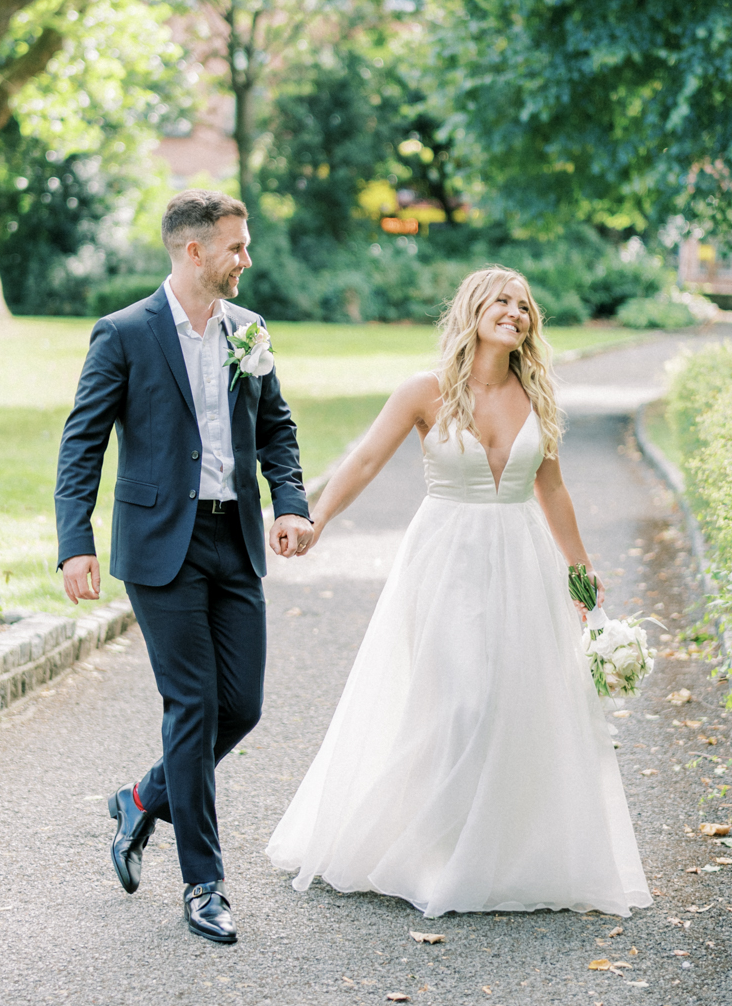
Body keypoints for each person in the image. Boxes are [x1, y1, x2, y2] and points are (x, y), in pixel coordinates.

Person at [267, 265, 652, 919]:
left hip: (524, 559)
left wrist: (581, 574)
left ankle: (497, 853)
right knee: (461, 700)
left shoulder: (537, 393)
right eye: (501, 301)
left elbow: (551, 489)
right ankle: (428, 850)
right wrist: (317, 519)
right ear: (473, 311)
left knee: (509, 702)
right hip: (446, 561)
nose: (515, 312)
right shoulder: (426, 391)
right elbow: (363, 459)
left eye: (524, 305)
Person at [54, 189, 314, 944]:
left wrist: (290, 501)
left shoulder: (248, 331)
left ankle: (141, 796)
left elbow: (278, 427)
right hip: (160, 545)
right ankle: (205, 884)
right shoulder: (124, 333)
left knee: (243, 707)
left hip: (233, 540)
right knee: (194, 706)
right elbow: (82, 444)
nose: (247, 259)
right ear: (193, 251)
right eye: (236, 246)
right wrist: (76, 541)